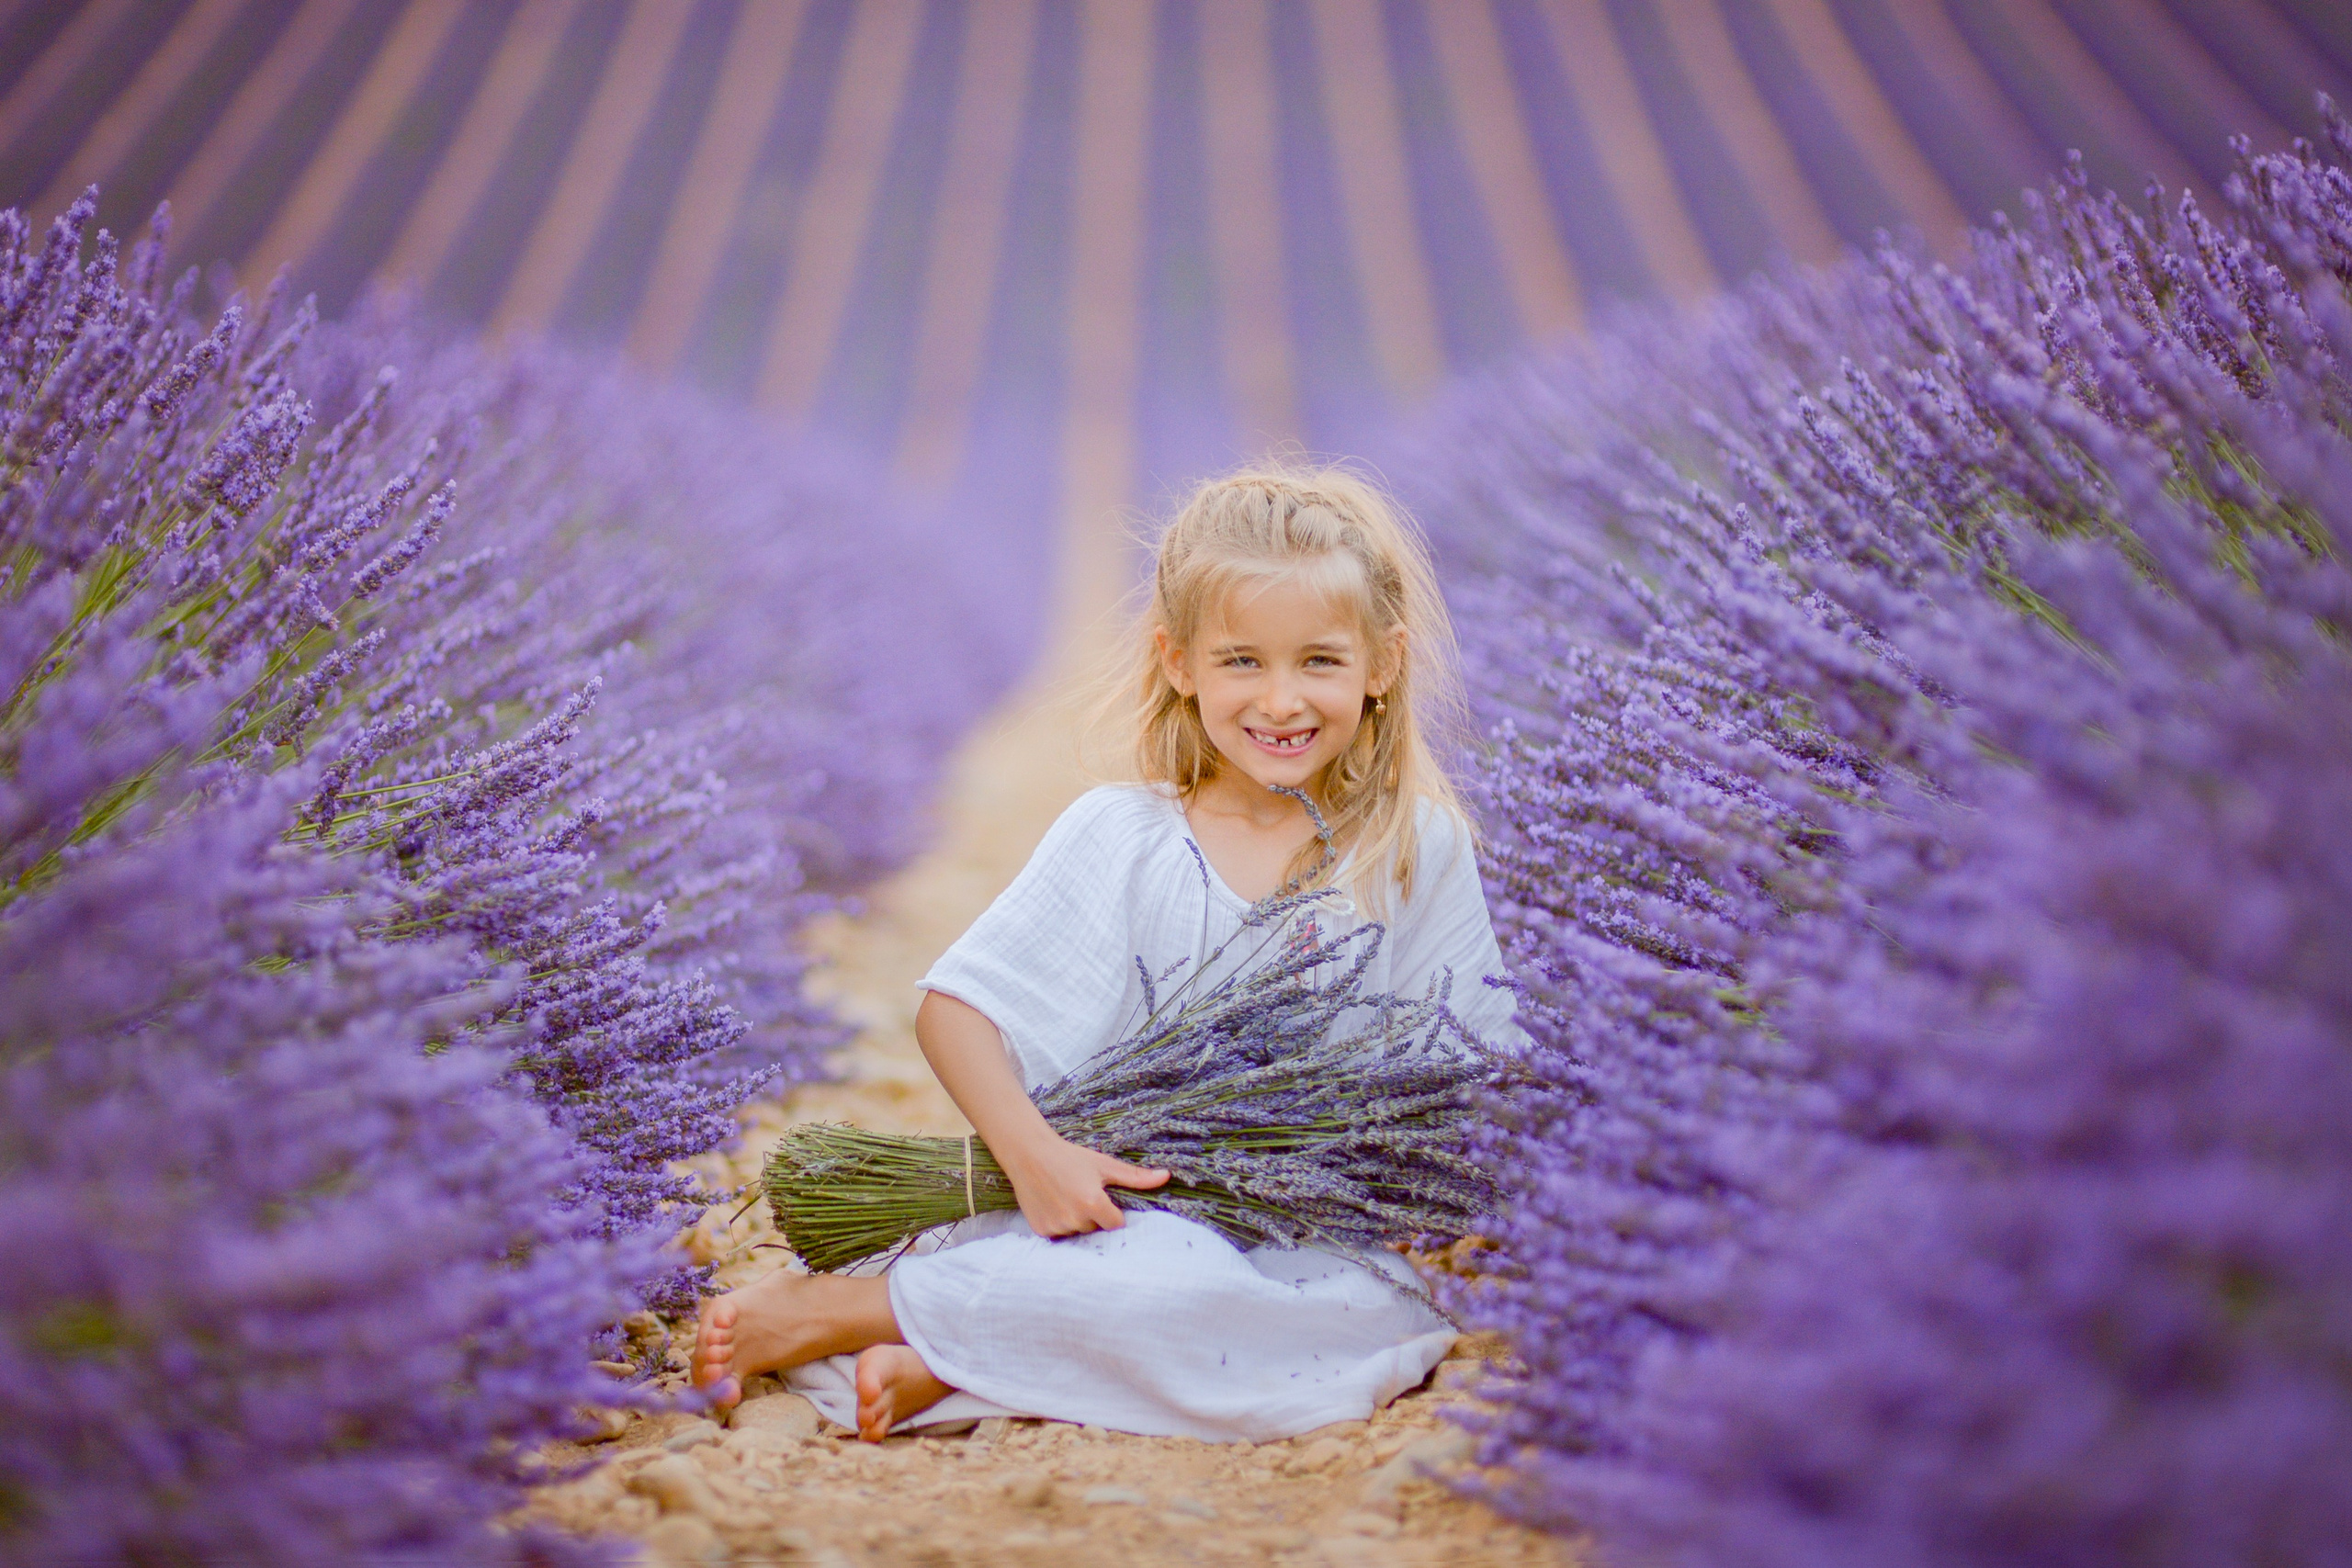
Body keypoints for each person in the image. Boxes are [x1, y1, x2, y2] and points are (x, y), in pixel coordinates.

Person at [691, 466, 1521, 1442]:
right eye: (1243, 661)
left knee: (1345, 1323)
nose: (1282, 699)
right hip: (1117, 1214)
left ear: (1383, 665)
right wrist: (1034, 1158)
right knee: (1159, 1276)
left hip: (1313, 1241)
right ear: (1179, 663)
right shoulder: (1124, 833)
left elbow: (1476, 1065)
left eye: (1320, 663)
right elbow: (955, 1010)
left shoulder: (1414, 848)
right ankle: (849, 1312)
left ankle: (947, 1357)